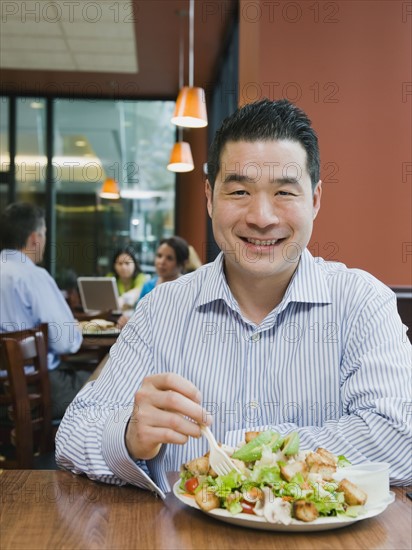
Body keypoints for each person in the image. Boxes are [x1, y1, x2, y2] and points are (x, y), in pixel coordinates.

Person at [56, 99, 411, 497]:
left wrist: (251, 451)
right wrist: (127, 433)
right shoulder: (162, 310)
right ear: (210, 198)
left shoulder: (362, 304)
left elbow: (400, 439)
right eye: (240, 190)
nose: (261, 216)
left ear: (314, 200)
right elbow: (72, 433)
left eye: (284, 193)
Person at [0, 202, 90, 419]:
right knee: (104, 383)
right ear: (34, 239)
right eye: (44, 234)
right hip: (34, 391)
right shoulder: (33, 276)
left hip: (5, 396)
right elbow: (66, 342)